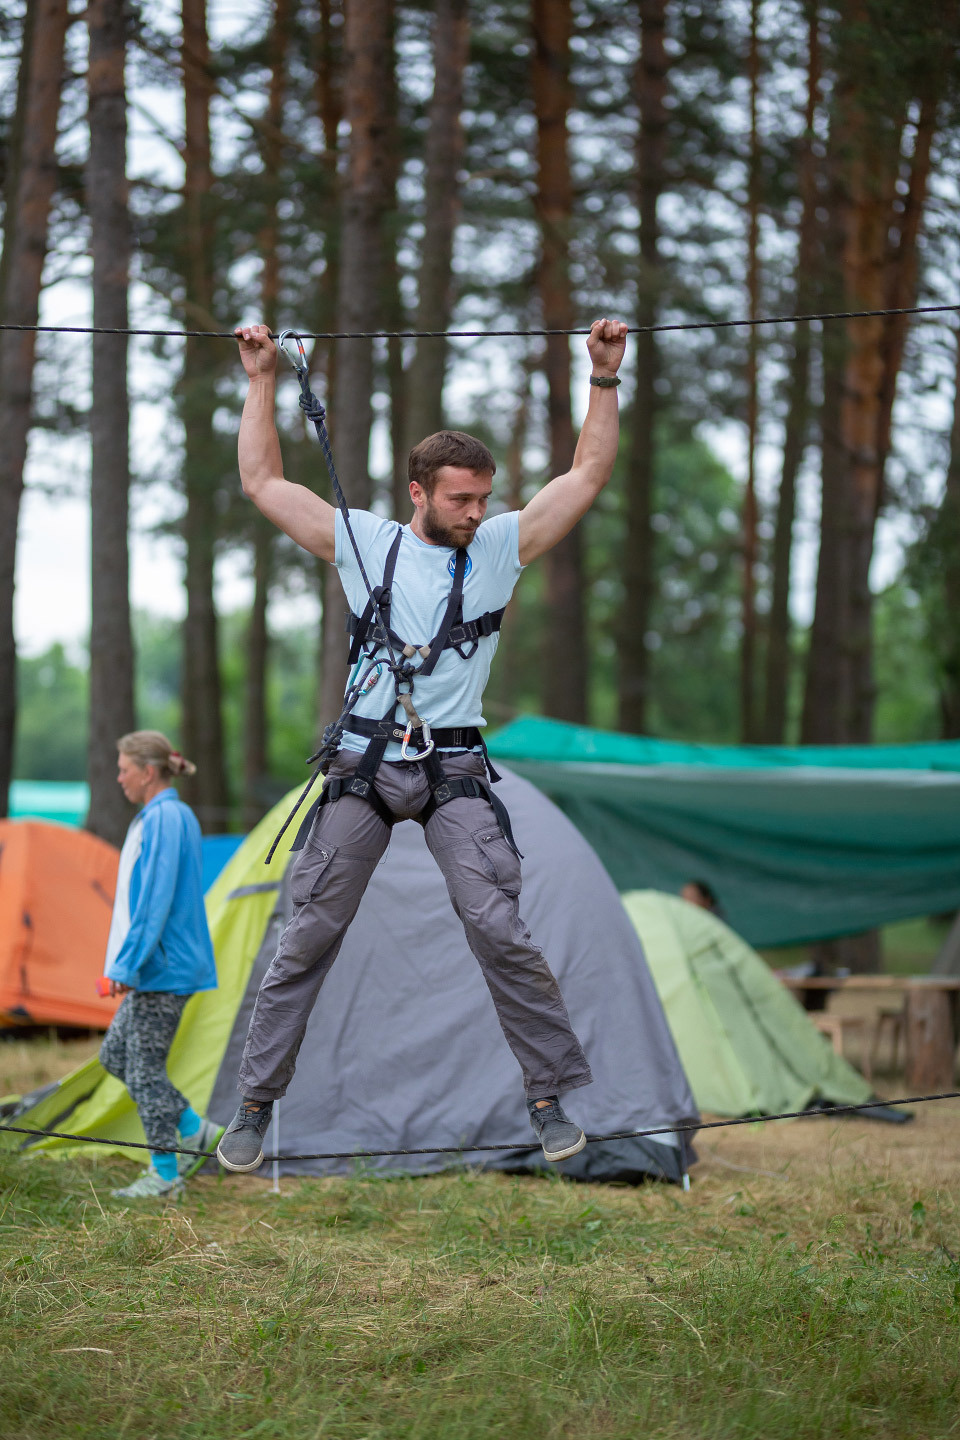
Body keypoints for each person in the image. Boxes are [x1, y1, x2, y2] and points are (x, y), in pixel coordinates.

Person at [216, 317, 629, 1175]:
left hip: (454, 769)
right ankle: (255, 1103)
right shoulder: (364, 544)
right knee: (308, 930)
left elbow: (587, 473)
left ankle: (549, 1098)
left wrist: (603, 377)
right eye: (460, 500)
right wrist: (262, 378)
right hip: (366, 768)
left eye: (483, 498)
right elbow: (262, 480)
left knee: (497, 923)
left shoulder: (502, 547)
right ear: (419, 491)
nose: (477, 513)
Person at [101, 731, 222, 1200]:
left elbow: (155, 901)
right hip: (156, 966)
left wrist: (126, 966)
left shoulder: (167, 817)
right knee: (115, 1057)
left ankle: (166, 1175)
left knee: (146, 1071)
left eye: (124, 768)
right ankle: (194, 1129)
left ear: (148, 772)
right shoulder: (156, 816)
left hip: (164, 969)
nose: (119, 777)